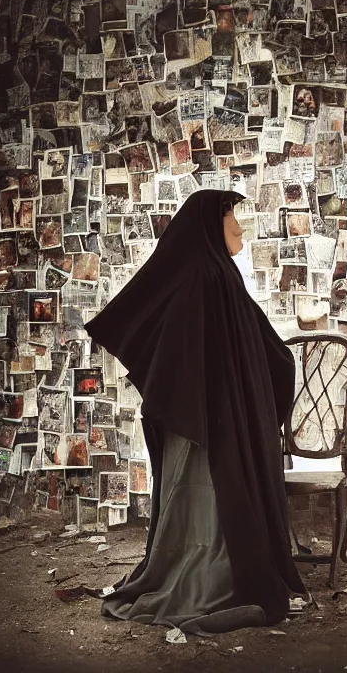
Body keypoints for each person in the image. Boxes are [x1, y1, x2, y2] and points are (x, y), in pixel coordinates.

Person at [84, 189, 307, 635]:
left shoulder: (212, 273)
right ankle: (212, 575)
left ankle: (203, 566)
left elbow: (247, 343)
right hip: (207, 425)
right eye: (232, 221)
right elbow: (197, 353)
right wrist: (269, 374)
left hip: (205, 419)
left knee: (202, 499)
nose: (240, 229)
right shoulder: (207, 278)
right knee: (209, 498)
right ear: (210, 226)